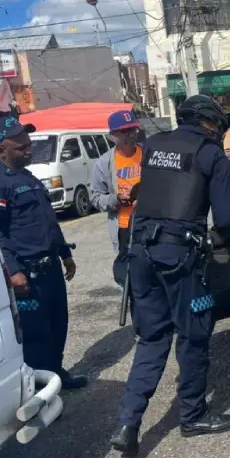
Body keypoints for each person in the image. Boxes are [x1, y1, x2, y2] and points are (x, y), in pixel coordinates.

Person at [110, 95, 230, 457]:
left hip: (141, 254)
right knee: (193, 334)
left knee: (152, 339)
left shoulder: (153, 146)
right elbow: (227, 220)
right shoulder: (210, 153)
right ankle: (193, 415)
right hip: (180, 259)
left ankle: (128, 422)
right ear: (211, 123)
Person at [0, 117, 87, 389]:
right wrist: (13, 270)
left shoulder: (29, 178)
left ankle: (56, 373)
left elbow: (48, 220)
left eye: (28, 145)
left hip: (49, 269)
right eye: (21, 147)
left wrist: (64, 254)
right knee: (37, 333)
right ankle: (40, 389)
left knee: (58, 322)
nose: (29, 150)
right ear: (1, 149)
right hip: (26, 273)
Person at [91, 110, 145, 333]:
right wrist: (115, 200)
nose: (129, 136)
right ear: (113, 135)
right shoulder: (104, 163)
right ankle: (141, 325)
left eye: (132, 130)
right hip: (125, 228)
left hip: (150, 222)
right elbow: (95, 197)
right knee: (133, 279)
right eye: (123, 132)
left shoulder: (149, 154)